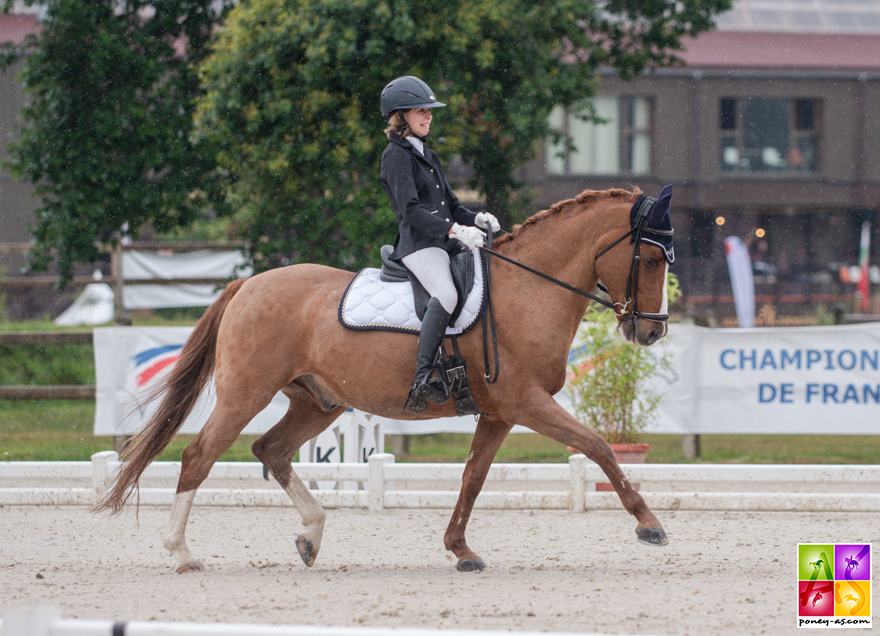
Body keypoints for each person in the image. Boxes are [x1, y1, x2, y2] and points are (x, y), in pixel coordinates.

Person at [379, 75, 500, 412]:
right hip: (418, 245)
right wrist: (453, 231)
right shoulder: (395, 155)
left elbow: (452, 205)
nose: (429, 116)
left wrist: (475, 219)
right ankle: (422, 375)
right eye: (421, 111)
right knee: (446, 294)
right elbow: (411, 210)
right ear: (401, 116)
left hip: (443, 241)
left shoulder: (428, 155)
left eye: (430, 111)